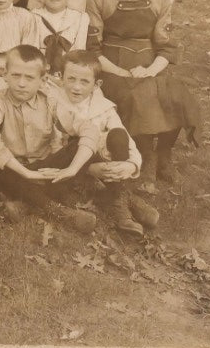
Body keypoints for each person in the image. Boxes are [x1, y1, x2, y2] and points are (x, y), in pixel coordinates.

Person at [86, 0, 198, 186]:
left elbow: (165, 46)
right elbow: (94, 48)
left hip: (149, 62)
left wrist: (150, 70)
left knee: (175, 95)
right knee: (137, 95)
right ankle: (146, 155)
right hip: (112, 65)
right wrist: (121, 72)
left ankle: (164, 153)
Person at [0, 45, 98, 232]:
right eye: (16, 75)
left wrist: (72, 169)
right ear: (5, 75)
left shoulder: (49, 101)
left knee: (79, 148)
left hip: (44, 168)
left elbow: (88, 129)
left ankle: (24, 205)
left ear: (42, 80)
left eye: (29, 77)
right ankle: (58, 211)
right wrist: (26, 173)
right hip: (13, 170)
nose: (22, 83)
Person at [49, 50, 152, 235]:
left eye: (84, 82)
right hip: (69, 164)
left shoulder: (102, 107)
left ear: (97, 85)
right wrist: (89, 168)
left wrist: (131, 165)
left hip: (102, 161)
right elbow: (53, 148)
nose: (76, 87)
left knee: (118, 135)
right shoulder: (53, 103)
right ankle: (123, 201)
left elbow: (126, 139)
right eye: (71, 79)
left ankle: (119, 201)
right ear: (60, 77)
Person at [30, 0, 89, 76]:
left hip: (69, 75)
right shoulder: (33, 17)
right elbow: (32, 54)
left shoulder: (80, 18)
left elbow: (79, 53)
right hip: (40, 74)